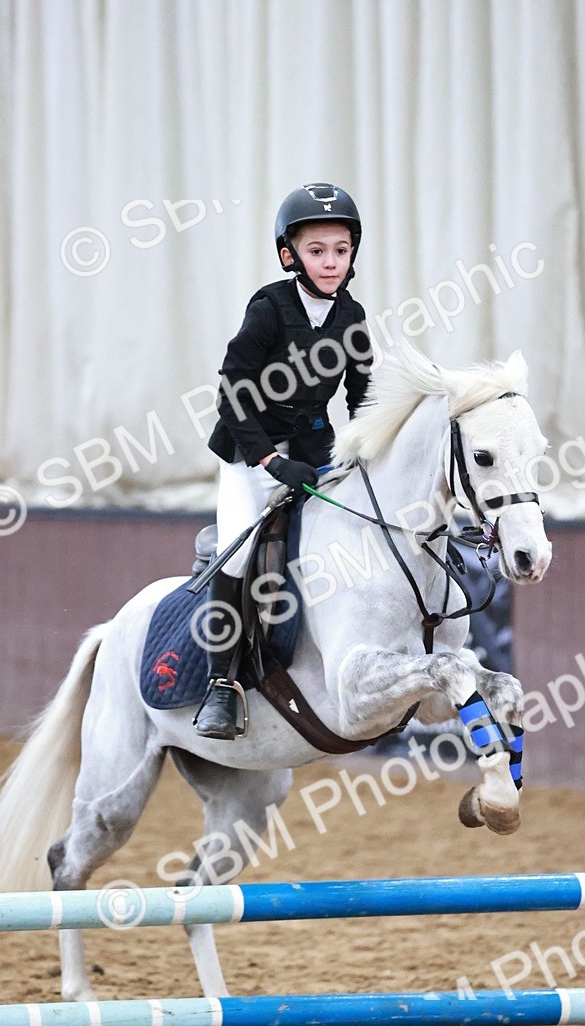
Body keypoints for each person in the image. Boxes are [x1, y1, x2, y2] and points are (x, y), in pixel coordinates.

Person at [195, 182, 373, 738]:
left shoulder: (353, 315)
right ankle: (220, 683)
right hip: (252, 449)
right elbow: (232, 392)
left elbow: (362, 394)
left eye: (340, 250)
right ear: (289, 254)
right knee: (240, 554)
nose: (330, 262)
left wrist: (366, 450)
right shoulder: (270, 308)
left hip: (315, 448)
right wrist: (270, 461)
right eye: (317, 250)